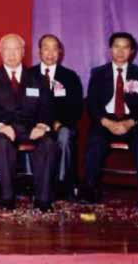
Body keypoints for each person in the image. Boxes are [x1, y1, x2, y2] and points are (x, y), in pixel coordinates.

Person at [0, 33, 58, 212]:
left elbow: (47, 108)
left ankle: (43, 199)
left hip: (32, 129)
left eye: (16, 49)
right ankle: (7, 197)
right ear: (0, 52)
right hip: (5, 129)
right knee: (2, 143)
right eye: (7, 49)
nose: (11, 54)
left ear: (23, 52)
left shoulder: (38, 78)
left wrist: (42, 125)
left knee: (48, 143)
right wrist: (0, 127)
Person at [82, 32, 138, 208]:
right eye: (116, 46)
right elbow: (92, 104)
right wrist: (107, 122)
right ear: (110, 49)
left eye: (125, 47)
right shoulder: (98, 73)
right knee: (94, 142)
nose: (120, 51)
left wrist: (129, 123)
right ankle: (89, 192)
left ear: (132, 51)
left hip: (132, 122)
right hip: (105, 122)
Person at [27, 34, 83, 198]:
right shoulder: (28, 75)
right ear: (39, 51)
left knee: (65, 136)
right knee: (27, 133)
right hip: (34, 124)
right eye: (46, 48)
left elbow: (76, 108)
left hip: (61, 125)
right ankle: (31, 182)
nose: (50, 53)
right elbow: (23, 106)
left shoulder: (70, 77)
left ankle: (61, 183)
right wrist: (37, 123)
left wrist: (56, 123)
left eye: (54, 49)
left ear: (60, 52)